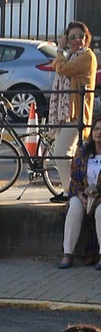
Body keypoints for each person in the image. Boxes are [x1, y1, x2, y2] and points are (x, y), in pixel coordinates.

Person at [41, 19, 97, 168]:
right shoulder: (71, 56)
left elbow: (62, 68)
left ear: (86, 37)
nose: (77, 40)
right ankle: (73, 188)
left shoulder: (87, 56)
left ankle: (70, 190)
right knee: (67, 154)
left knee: (61, 153)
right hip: (64, 114)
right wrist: (60, 57)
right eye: (72, 37)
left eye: (81, 36)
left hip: (75, 113)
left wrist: (59, 50)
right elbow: (58, 65)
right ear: (67, 39)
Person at [60, 112, 101, 267]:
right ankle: (67, 254)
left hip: (100, 197)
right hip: (83, 193)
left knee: (100, 212)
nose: (99, 132)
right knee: (74, 209)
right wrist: (80, 196)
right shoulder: (83, 152)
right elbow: (74, 179)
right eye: (96, 129)